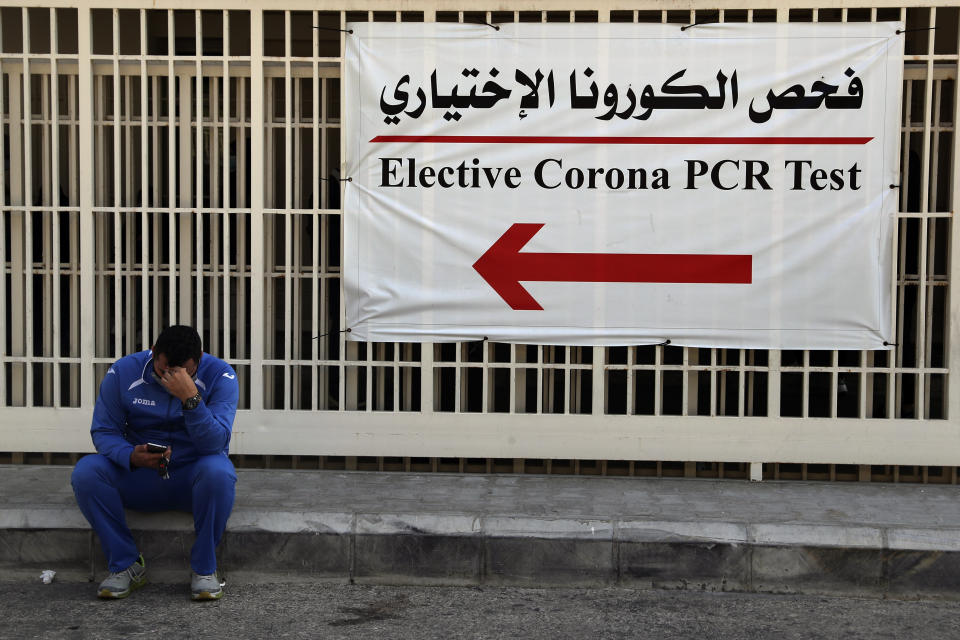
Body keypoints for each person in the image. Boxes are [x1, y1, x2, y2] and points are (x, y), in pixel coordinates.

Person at [71, 325, 239, 600]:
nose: (170, 378)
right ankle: (126, 565)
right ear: (153, 353)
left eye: (183, 372)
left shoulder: (221, 375)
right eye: (163, 371)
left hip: (191, 478)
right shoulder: (124, 371)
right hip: (141, 473)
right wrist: (129, 455)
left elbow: (215, 443)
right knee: (87, 473)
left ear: (200, 357)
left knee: (219, 472)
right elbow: (104, 431)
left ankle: (204, 569)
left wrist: (191, 398)